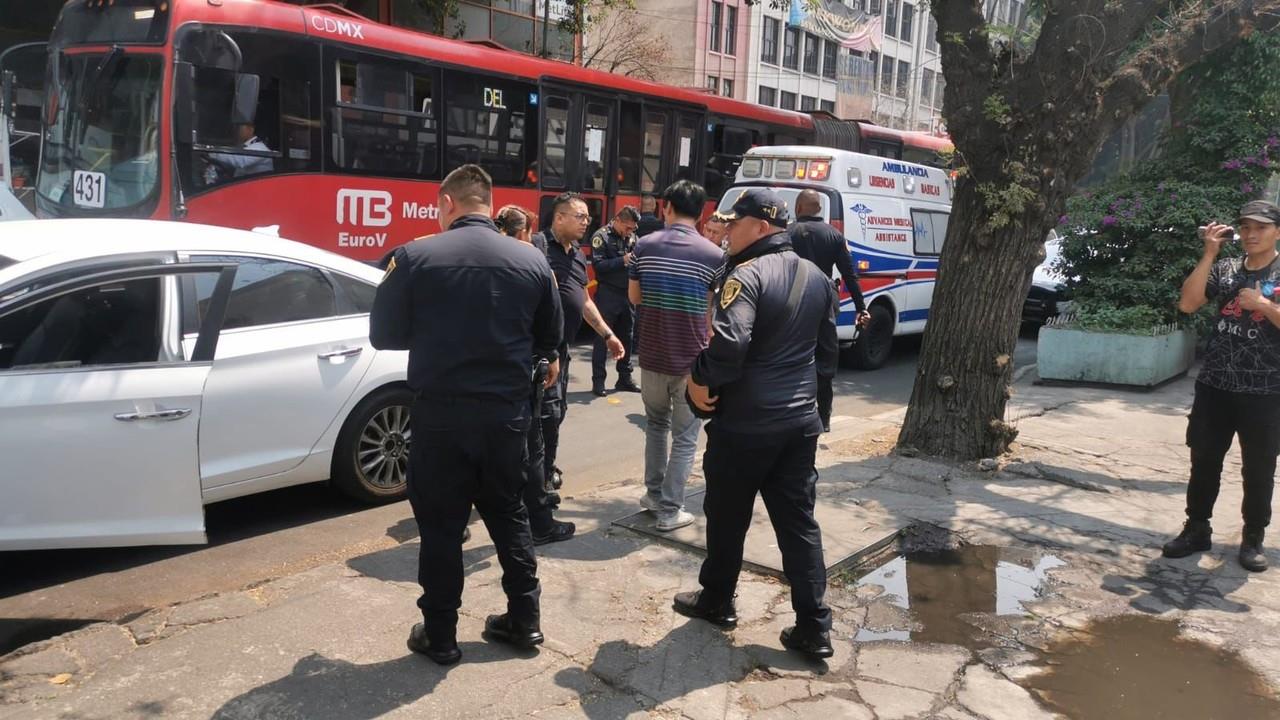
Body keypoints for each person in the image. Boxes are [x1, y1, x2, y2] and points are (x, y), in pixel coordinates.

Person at [369, 165, 563, 665]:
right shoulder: (531, 260)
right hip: (506, 416)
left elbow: (384, 335)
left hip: (442, 416)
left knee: (440, 525)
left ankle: (440, 635)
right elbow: (549, 339)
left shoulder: (413, 256)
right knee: (509, 513)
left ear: (447, 203)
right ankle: (526, 620)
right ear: (487, 201)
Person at [676, 188, 839, 660]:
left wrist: (698, 379)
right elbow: (826, 356)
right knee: (799, 524)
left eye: (734, 223)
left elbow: (728, 347)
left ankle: (717, 600)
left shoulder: (744, 276)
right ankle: (814, 626)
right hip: (798, 423)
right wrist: (815, 411)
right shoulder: (815, 276)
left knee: (727, 517)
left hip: (746, 425)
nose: (726, 231)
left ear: (761, 227)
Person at [1162, 200, 1280, 573]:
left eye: (1260, 227)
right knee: (1204, 461)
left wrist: (1265, 306)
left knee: (1259, 468)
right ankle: (1197, 529)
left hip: (1265, 392)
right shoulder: (1226, 267)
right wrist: (1209, 254)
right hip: (1215, 386)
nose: (1250, 234)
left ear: (1277, 231)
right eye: (1245, 227)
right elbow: (1188, 303)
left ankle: (1252, 539)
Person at [628, 180, 725, 532]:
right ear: (702, 213)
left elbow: (635, 297)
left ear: (666, 206)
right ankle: (670, 511)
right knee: (685, 436)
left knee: (656, 425)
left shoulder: (644, 246)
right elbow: (712, 310)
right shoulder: (714, 255)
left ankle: (653, 496)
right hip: (692, 360)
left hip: (651, 355)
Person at [530, 192, 626, 543]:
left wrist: (608, 334)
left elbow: (583, 299)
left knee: (554, 418)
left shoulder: (576, 255)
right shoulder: (539, 247)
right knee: (541, 422)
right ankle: (535, 500)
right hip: (539, 353)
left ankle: (541, 485)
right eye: (580, 216)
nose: (587, 222)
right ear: (558, 218)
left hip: (562, 352)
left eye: (588, 217)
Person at [496, 203, 579, 545]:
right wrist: (552, 356)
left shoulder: (486, 259)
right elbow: (552, 319)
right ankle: (541, 524)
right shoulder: (533, 263)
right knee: (532, 450)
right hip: (524, 369)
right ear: (525, 232)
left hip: (487, 371)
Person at [787, 189, 872, 432]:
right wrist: (861, 308)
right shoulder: (835, 235)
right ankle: (823, 418)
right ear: (819, 209)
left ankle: (792, 411)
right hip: (825, 297)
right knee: (825, 356)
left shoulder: (787, 233)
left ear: (799, 208)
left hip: (792, 297)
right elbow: (849, 274)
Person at [588, 207, 642, 396]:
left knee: (627, 335)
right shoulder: (601, 236)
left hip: (627, 294)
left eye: (632, 229)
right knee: (603, 337)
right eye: (627, 228)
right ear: (618, 220)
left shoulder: (633, 238)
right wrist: (623, 260)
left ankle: (625, 378)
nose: (630, 232)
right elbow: (599, 265)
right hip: (608, 293)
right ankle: (598, 381)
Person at [206, 121, 273, 181]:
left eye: (239, 128)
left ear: (250, 129)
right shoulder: (243, 147)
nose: (236, 131)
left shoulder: (259, 147)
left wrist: (211, 153)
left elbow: (240, 160)